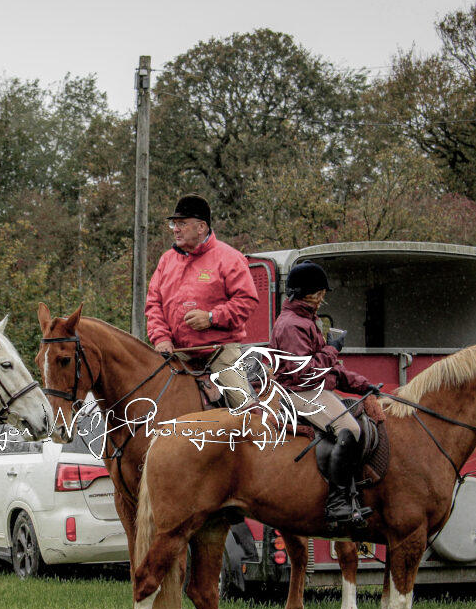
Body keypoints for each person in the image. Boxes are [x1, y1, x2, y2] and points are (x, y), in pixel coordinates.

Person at [272, 261, 375, 532]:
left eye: (322, 294)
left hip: (312, 389)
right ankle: (337, 502)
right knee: (349, 429)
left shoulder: (307, 321)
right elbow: (304, 372)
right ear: (306, 294)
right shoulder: (293, 325)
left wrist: (363, 385)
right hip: (298, 391)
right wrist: (331, 349)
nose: (321, 299)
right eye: (318, 294)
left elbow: (328, 369)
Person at [145, 194, 259, 409]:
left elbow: (247, 301)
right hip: (177, 352)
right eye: (174, 224)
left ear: (201, 227)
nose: (175, 229)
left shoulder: (229, 257)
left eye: (182, 223)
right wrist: (161, 338)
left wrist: (212, 318)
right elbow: (153, 304)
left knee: (245, 407)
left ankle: (259, 427)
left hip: (219, 352)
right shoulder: (166, 260)